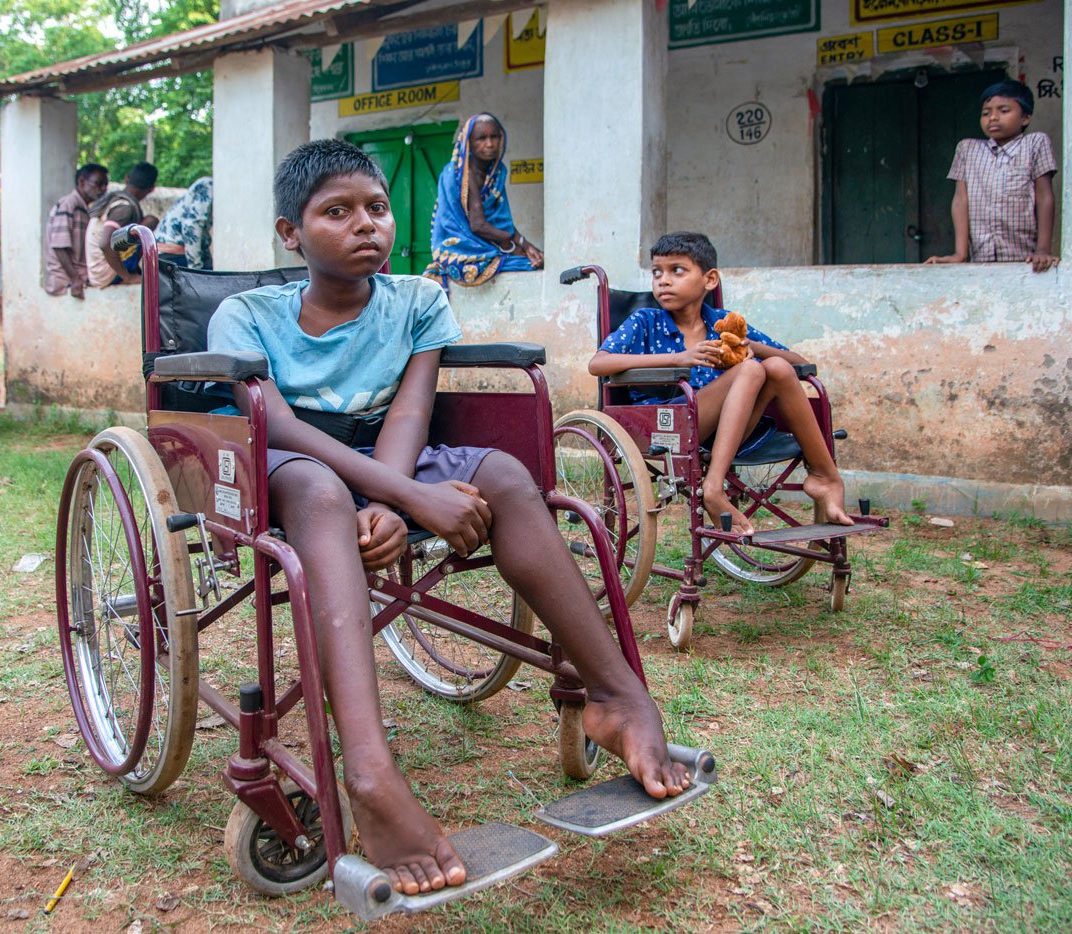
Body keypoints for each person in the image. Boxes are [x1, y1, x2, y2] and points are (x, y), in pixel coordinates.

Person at [208, 139, 688, 897]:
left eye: (376, 207)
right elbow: (280, 429)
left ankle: (615, 693)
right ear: (290, 234)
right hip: (284, 466)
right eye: (337, 212)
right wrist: (392, 499)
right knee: (322, 491)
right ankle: (369, 775)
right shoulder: (245, 316)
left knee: (499, 473)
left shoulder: (420, 299)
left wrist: (396, 497)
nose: (366, 224)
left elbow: (412, 407)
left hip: (385, 455)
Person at [589, 231, 853, 535]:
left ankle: (824, 476)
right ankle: (713, 488)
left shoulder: (722, 322)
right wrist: (678, 358)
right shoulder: (645, 321)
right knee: (752, 371)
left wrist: (748, 344)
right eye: (657, 272)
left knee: (776, 366)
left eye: (677, 270)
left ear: (710, 279)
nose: (663, 280)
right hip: (669, 426)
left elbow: (796, 361)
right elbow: (599, 364)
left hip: (730, 429)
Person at [925, 79, 1059, 273]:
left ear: (1026, 118)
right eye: (986, 113)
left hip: (1025, 258)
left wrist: (1043, 250)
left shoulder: (1035, 144)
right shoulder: (967, 149)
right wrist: (960, 254)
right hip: (981, 259)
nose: (993, 118)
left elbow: (1044, 197)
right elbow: (961, 200)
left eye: (1004, 111)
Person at [424, 113, 543, 288]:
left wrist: (524, 245)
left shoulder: (496, 174)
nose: (489, 144)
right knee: (524, 263)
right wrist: (519, 244)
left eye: (493, 137)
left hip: (487, 240)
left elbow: (500, 222)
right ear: (469, 143)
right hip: (462, 245)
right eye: (482, 138)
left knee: (536, 261)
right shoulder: (458, 174)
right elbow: (477, 225)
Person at [85, 162, 158, 288]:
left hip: (96, 272)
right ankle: (127, 274)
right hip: (104, 275)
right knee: (149, 222)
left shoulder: (114, 199)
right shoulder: (124, 208)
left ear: (127, 178)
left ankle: (131, 270)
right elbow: (105, 243)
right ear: (151, 189)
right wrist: (127, 277)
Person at [45, 163, 108, 298]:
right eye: (98, 183)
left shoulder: (86, 209)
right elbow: (59, 246)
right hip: (65, 282)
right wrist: (75, 279)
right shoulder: (68, 204)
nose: (102, 189)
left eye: (105, 185)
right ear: (81, 182)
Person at [155, 176, 212, 268]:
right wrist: (196, 269)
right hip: (170, 253)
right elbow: (192, 226)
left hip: (174, 252)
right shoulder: (209, 186)